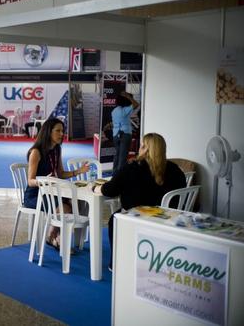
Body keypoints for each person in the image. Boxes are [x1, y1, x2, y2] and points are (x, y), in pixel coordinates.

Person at [97, 133, 186, 271]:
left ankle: (116, 262)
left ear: (144, 148)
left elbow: (109, 190)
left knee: (114, 219)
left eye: (141, 146)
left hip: (138, 218)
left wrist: (97, 188)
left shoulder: (132, 168)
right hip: (168, 219)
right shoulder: (175, 170)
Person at [24, 118, 89, 248]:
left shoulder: (57, 149)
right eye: (58, 131)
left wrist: (78, 171)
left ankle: (52, 235)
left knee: (77, 202)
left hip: (52, 192)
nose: (61, 134)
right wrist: (42, 182)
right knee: (66, 208)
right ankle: (55, 236)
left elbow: (60, 174)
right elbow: (30, 181)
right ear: (48, 132)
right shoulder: (36, 152)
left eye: (62, 131)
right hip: (35, 195)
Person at [111, 91, 139, 173]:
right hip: (125, 135)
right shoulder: (124, 110)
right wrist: (128, 96)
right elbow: (136, 104)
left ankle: (114, 174)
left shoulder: (114, 111)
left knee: (117, 155)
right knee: (123, 157)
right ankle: (120, 176)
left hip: (116, 135)